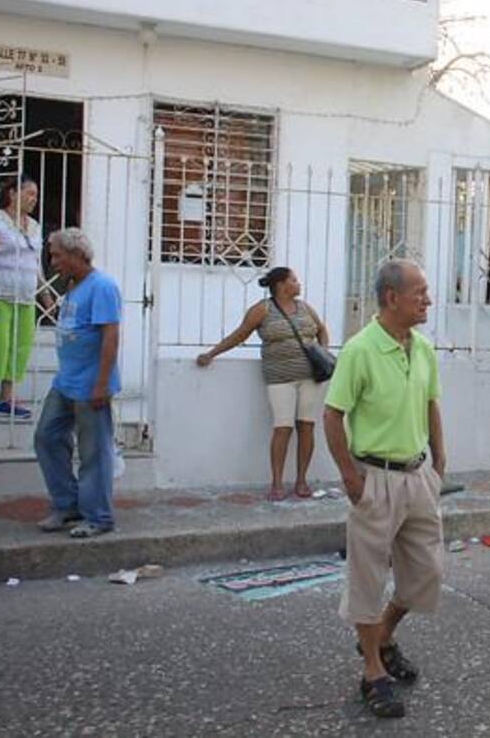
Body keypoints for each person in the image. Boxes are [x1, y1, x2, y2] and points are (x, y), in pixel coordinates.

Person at [323, 259, 446, 720]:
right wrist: (350, 478)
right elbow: (332, 415)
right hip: (374, 478)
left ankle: (382, 636)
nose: (427, 300)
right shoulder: (360, 350)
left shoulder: (423, 348)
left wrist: (440, 460)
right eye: (420, 292)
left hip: (418, 476)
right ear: (392, 297)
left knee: (426, 573)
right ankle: (373, 671)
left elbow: (431, 403)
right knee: (368, 579)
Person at [197, 267, 329, 500]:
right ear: (281, 285)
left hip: (310, 377)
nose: (299, 284)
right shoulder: (263, 309)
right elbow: (239, 335)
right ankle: (276, 483)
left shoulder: (305, 308)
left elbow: (321, 330)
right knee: (283, 428)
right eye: (294, 280)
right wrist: (212, 354)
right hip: (279, 378)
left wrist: (323, 353)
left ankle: (301, 481)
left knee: (307, 427)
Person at [33, 228, 121, 539]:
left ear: (76, 255)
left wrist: (101, 384)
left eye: (57, 255)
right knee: (47, 437)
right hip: (66, 382)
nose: (53, 262)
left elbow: (110, 337)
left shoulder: (102, 287)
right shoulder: (73, 286)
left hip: (90, 384)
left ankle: (99, 516)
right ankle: (67, 503)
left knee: (93, 452)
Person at [0, 176, 53, 419]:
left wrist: (45, 295)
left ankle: (6, 398)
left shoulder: (34, 226)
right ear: (12, 193)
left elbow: (36, 263)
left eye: (36, 195)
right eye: (29, 193)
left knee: (19, 347)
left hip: (25, 296)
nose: (34, 199)